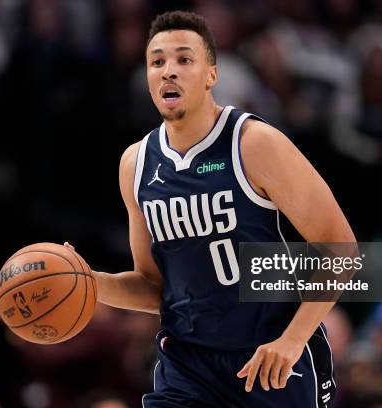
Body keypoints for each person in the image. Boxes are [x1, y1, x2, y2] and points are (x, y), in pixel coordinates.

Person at [66, 11, 355, 407]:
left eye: (184, 59)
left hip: (270, 358)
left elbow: (340, 249)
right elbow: (155, 288)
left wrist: (292, 340)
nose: (169, 71)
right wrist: (89, 283)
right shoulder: (136, 164)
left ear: (211, 75)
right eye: (157, 61)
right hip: (187, 365)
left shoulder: (255, 144)